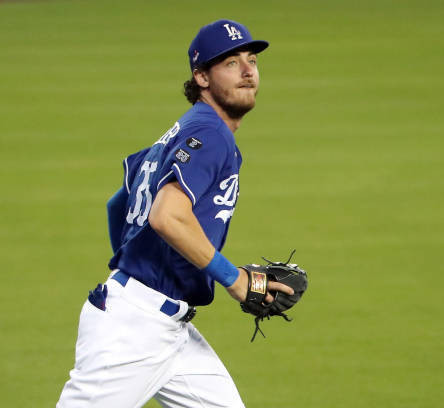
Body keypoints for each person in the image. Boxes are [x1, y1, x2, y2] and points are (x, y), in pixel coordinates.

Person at [57, 19, 294, 408]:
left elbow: (119, 203)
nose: (248, 70)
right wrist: (235, 280)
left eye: (251, 60)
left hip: (164, 328)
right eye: (231, 63)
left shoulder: (185, 129)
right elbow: (166, 217)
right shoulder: (212, 134)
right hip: (133, 333)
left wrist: (134, 270)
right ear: (201, 77)